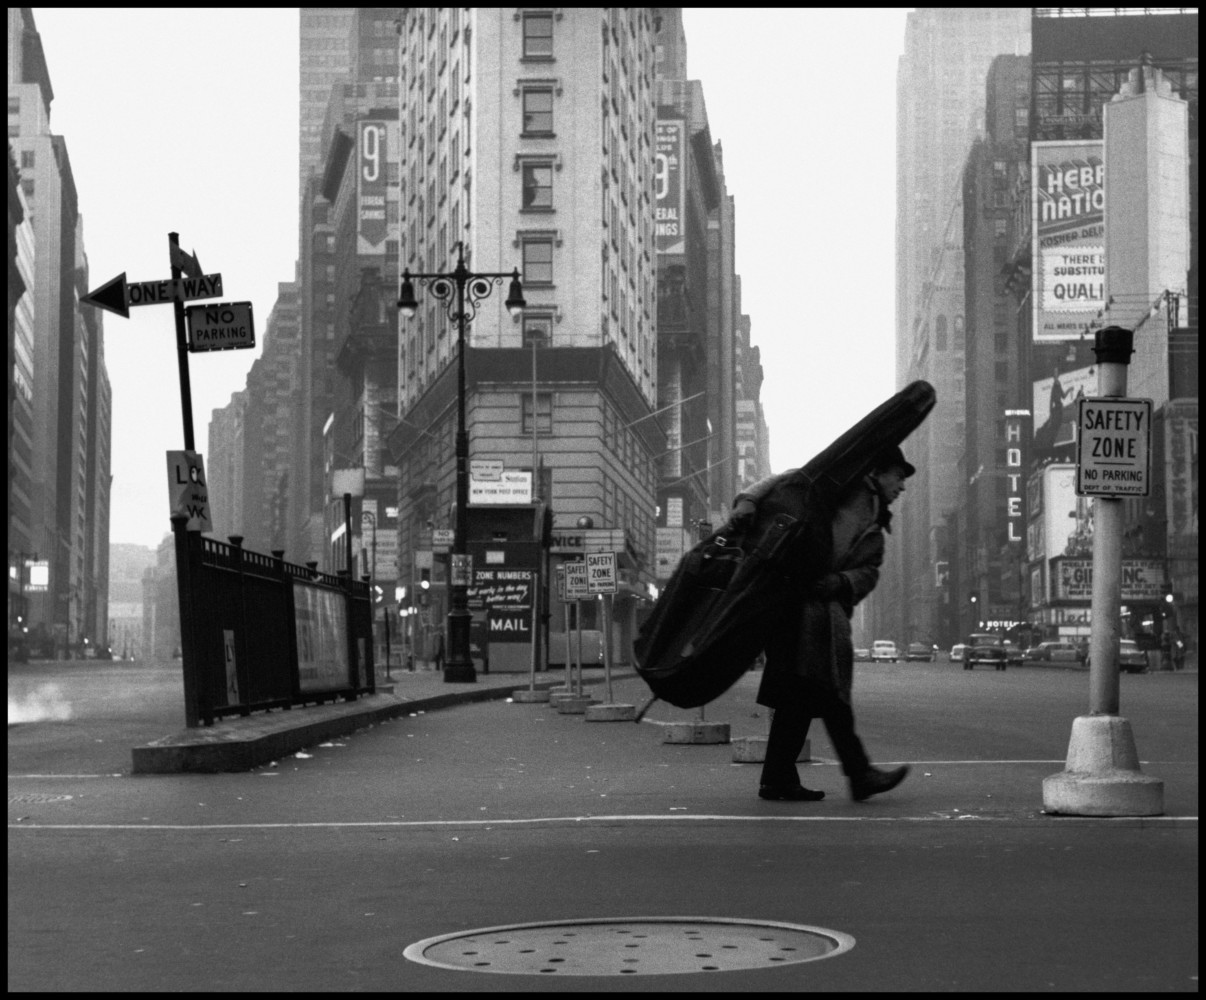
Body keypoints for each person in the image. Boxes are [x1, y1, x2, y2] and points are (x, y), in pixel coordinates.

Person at [725, 445, 915, 803]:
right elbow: (787, 479)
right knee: (817, 693)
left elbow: (867, 572)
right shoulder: (843, 483)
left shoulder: (875, 516)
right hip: (794, 602)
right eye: (899, 476)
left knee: (802, 695)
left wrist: (842, 583)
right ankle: (856, 774)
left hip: (820, 612)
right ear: (879, 471)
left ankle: (783, 779)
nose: (902, 486)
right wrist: (747, 501)